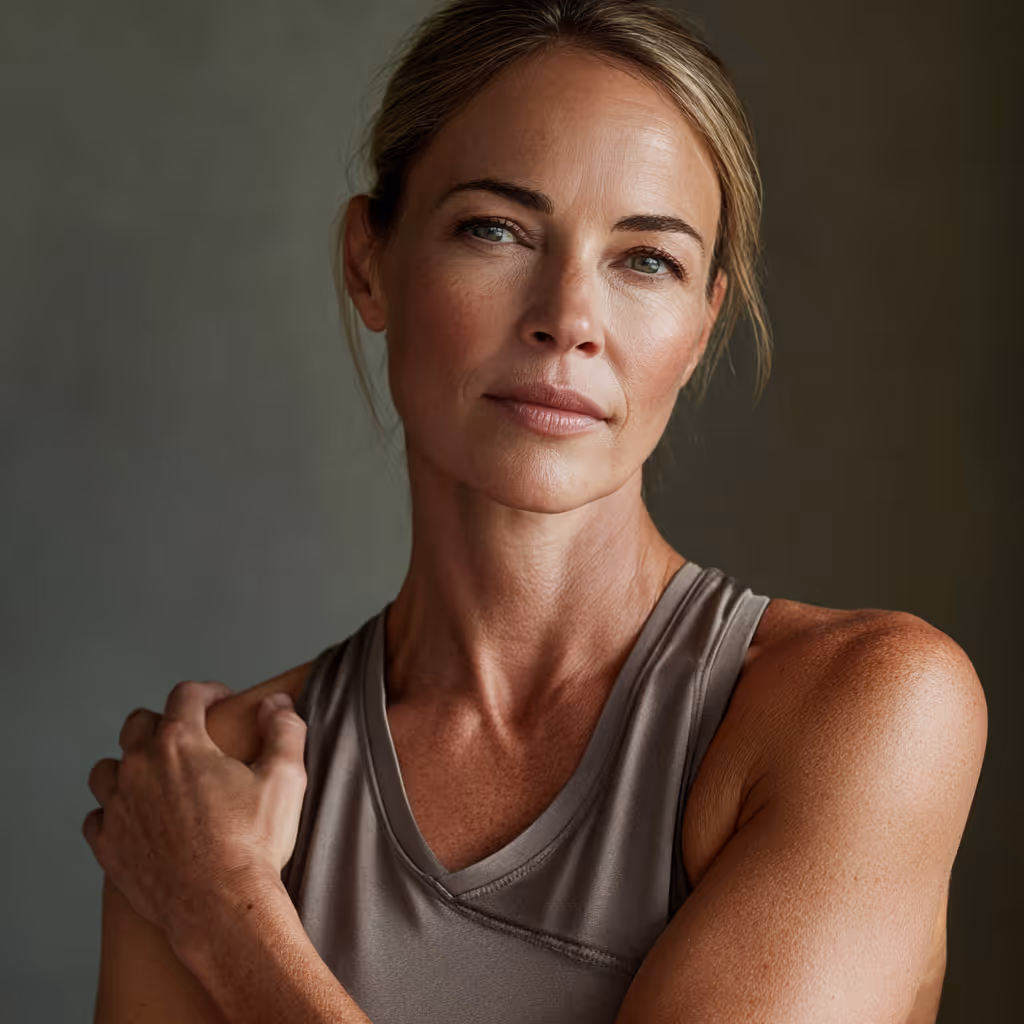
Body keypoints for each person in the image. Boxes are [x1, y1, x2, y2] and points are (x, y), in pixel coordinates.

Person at [82, 1, 987, 1022]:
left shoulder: (864, 709)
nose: (568, 318)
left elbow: (215, 903)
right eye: (496, 229)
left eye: (646, 259)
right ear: (369, 262)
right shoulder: (205, 782)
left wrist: (226, 916)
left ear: (700, 329)